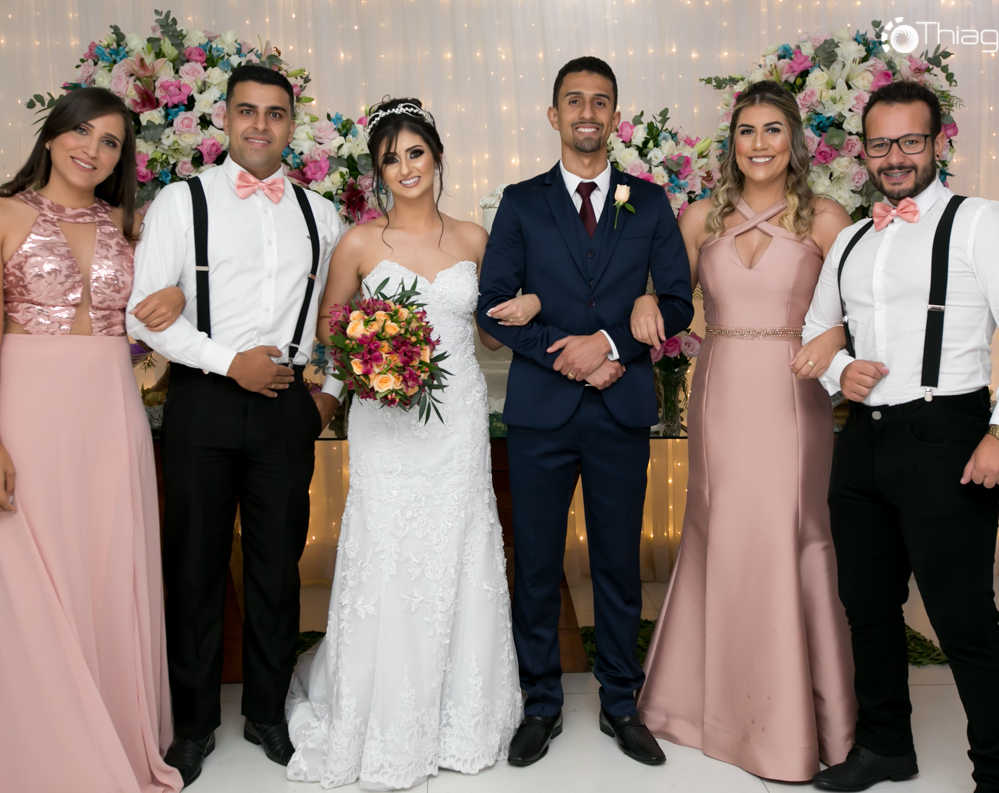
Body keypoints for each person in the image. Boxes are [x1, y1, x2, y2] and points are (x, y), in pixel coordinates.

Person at [802, 81, 999, 793]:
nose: (895, 157)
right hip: (862, 442)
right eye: (880, 144)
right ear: (863, 152)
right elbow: (817, 330)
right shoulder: (852, 238)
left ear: (937, 143)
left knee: (963, 618)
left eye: (910, 141)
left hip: (947, 434)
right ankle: (885, 747)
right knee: (868, 609)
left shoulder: (980, 221)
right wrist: (842, 373)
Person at [0, 87, 187, 793]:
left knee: (104, 565)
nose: (92, 150)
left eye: (110, 142)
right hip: (25, 411)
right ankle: (35, 752)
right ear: (50, 136)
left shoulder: (130, 227)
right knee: (23, 571)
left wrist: (173, 299)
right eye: (81, 132)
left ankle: (110, 728)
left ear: (120, 159)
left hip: (109, 412)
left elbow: (163, 308)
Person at [283, 97, 525, 790]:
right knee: (388, 552)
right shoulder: (359, 244)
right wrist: (369, 357)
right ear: (378, 171)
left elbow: (490, 337)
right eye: (391, 159)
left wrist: (529, 305)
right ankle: (383, 716)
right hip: (386, 422)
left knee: (459, 549)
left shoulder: (475, 239)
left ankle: (461, 716)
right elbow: (331, 332)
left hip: (456, 420)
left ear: (436, 156)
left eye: (415, 152)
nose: (406, 167)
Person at [628, 80, 859, 783]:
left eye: (772, 130)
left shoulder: (826, 217)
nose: (759, 144)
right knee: (720, 530)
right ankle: (706, 711)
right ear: (731, 143)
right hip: (722, 387)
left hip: (793, 390)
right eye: (746, 131)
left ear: (794, 140)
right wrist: (644, 297)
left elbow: (870, 301)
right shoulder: (701, 216)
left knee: (790, 531)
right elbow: (670, 294)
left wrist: (836, 336)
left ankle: (797, 724)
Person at [127, 64, 344, 787]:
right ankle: (192, 726)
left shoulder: (322, 215)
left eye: (275, 113)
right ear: (225, 118)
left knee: (278, 568)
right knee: (194, 565)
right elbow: (143, 315)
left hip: (287, 406)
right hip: (203, 401)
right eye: (247, 111)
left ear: (292, 124)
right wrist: (229, 363)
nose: (260, 125)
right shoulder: (179, 202)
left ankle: (267, 713)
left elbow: (345, 317)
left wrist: (329, 394)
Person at [477, 57, 695, 768]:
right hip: (540, 414)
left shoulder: (650, 202)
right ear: (554, 115)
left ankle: (620, 702)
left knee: (618, 565)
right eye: (574, 100)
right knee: (537, 564)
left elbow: (678, 302)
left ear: (615, 116)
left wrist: (609, 343)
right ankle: (540, 703)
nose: (587, 112)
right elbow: (492, 307)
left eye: (600, 101)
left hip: (620, 408)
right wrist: (566, 354)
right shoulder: (521, 202)